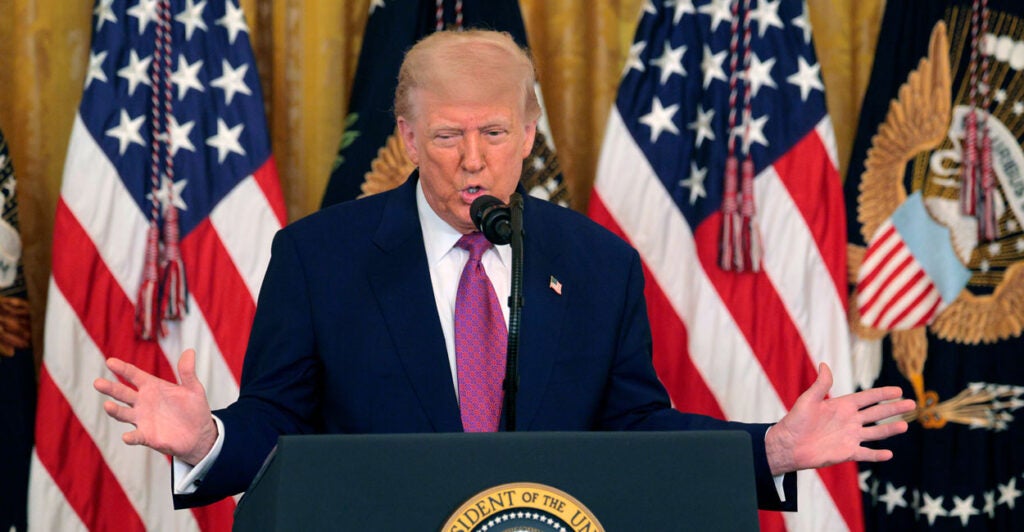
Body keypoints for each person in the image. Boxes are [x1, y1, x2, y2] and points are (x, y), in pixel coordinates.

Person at [94, 29, 914, 511]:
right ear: (408, 139)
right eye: (447, 136)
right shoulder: (319, 257)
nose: (472, 161)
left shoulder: (598, 264)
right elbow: (279, 425)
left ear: (528, 135)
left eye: (493, 134)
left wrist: (771, 449)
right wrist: (207, 439)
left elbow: (633, 428)